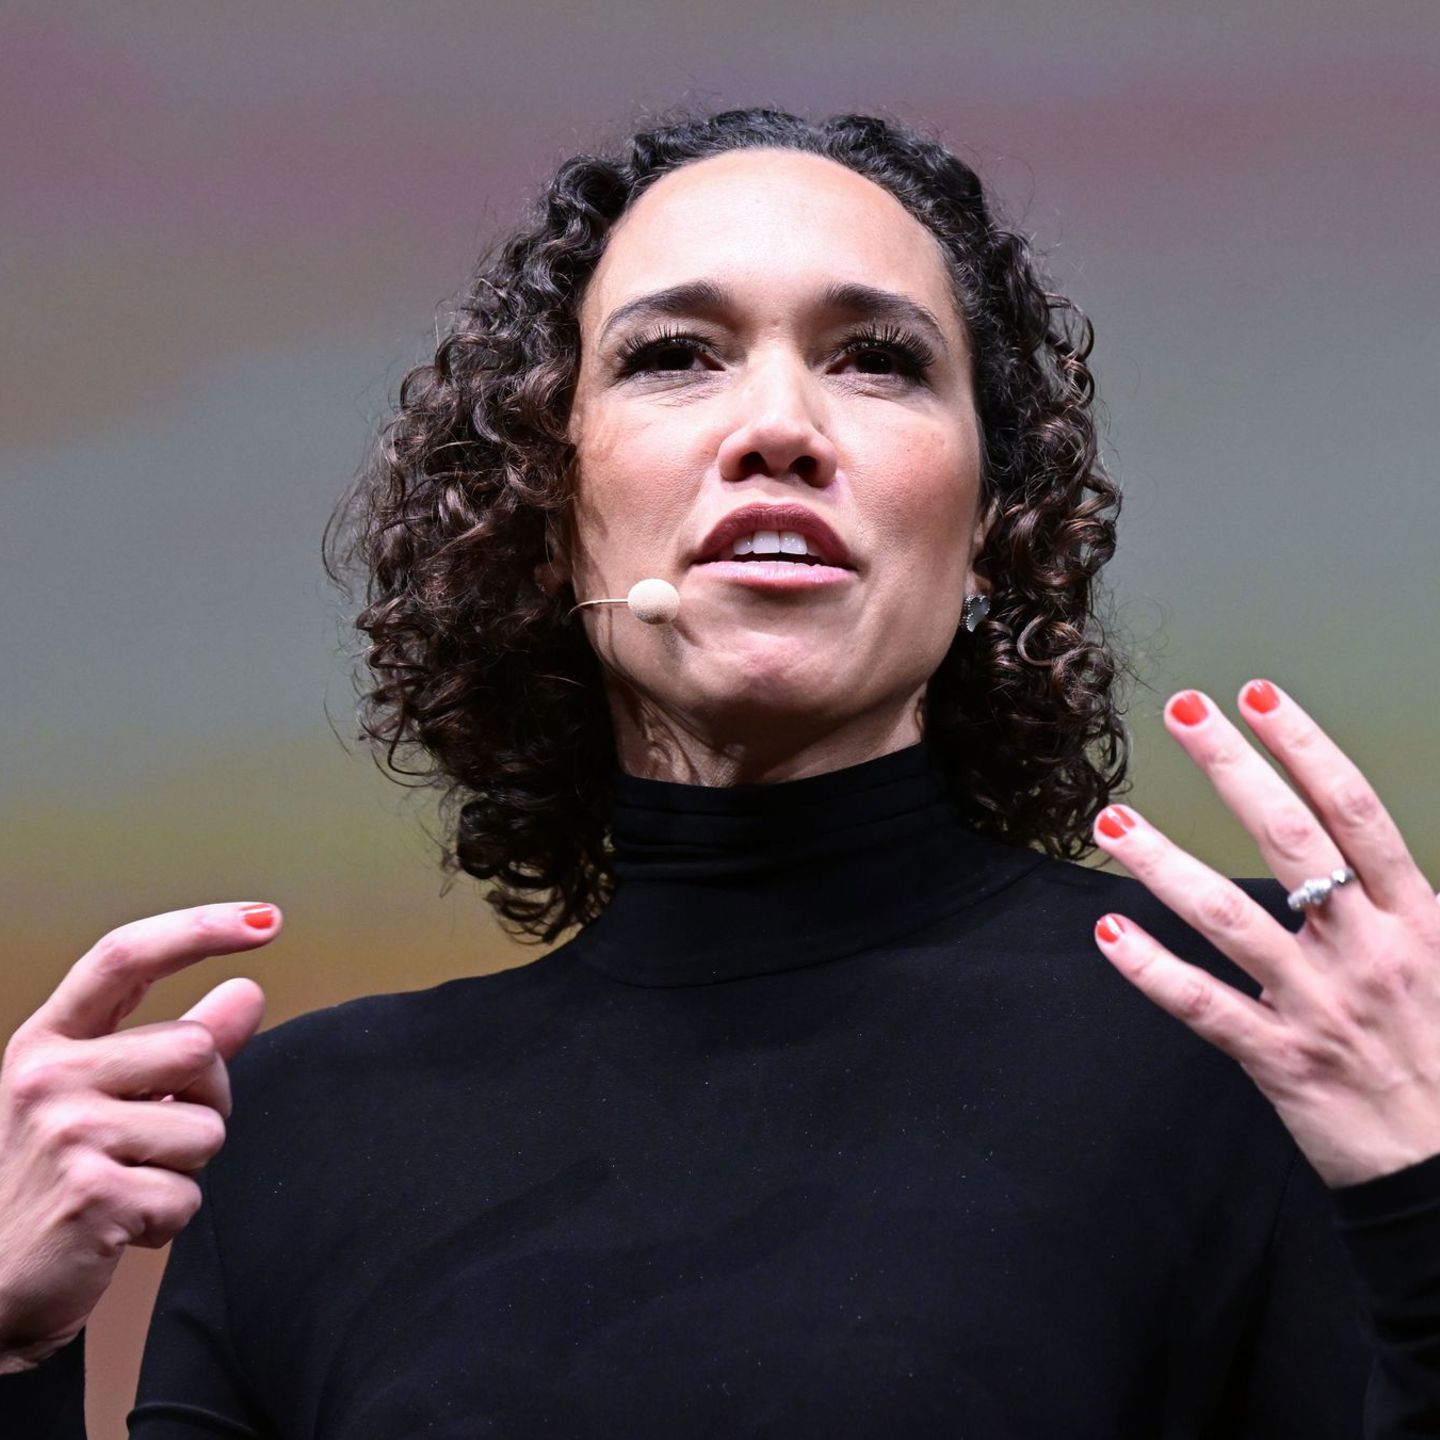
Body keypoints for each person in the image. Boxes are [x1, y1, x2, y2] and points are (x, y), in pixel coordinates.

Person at [2, 107, 1438, 1438]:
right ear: (547, 504)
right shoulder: (304, 1140)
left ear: (995, 522)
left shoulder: (1274, 1026)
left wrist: (1426, 1216)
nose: (779, 427)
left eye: (877, 358)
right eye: (672, 354)